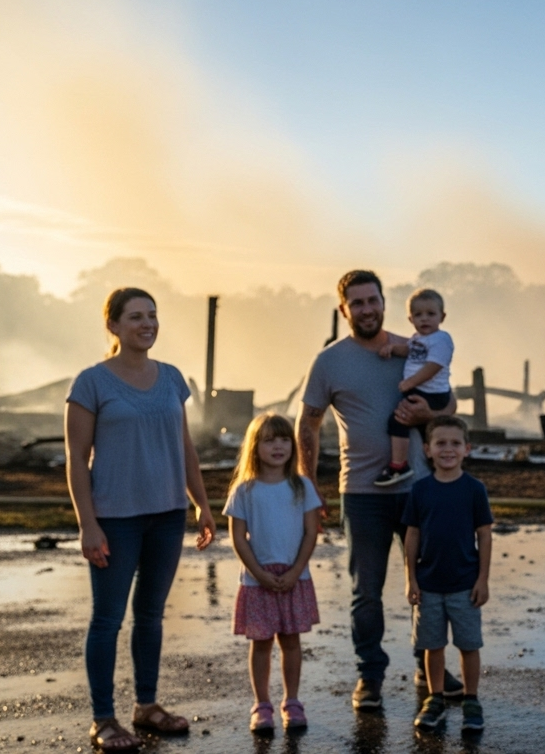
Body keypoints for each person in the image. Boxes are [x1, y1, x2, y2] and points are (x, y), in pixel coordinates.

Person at [297, 270, 462, 711]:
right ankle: (369, 676)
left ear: (385, 303)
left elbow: (449, 403)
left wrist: (429, 410)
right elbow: (308, 421)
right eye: (358, 303)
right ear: (343, 310)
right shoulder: (329, 361)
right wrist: (309, 485)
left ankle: (429, 668)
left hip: (420, 489)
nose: (367, 309)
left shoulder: (416, 346)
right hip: (362, 492)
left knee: (427, 585)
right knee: (366, 591)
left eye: (374, 300)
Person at [65, 287, 217, 753]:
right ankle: (104, 719)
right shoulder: (91, 382)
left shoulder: (171, 378)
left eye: (152, 315)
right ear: (112, 325)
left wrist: (202, 504)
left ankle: (147, 707)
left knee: (150, 617)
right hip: (115, 520)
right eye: (135, 316)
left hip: (167, 515)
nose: (147, 323)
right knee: (108, 619)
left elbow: (185, 448)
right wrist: (87, 525)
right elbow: (76, 458)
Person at [223, 413, 323, 733]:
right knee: (261, 643)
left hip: (296, 577)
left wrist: (296, 571)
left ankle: (292, 701)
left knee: (291, 641)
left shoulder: (302, 486)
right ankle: (262, 704)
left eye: (284, 440)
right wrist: (259, 574)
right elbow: (238, 538)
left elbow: (311, 533)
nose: (278, 446)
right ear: (255, 447)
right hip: (257, 579)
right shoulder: (244, 490)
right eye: (269, 440)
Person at [402, 415, 492, 732]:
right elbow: (411, 536)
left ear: (467, 449)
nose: (448, 449)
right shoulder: (420, 490)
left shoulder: (474, 490)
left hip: (465, 585)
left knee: (469, 645)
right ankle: (435, 698)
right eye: (441, 443)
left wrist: (482, 580)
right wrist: (410, 578)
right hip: (428, 585)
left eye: (455, 443)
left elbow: (484, 535)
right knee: (432, 645)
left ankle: (470, 699)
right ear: (427, 449)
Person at [374, 288, 456, 487]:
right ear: (410, 319)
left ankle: (399, 466)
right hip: (421, 391)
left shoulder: (441, 339)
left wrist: (412, 382)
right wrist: (393, 349)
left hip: (431, 393)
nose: (424, 319)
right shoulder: (417, 339)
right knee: (426, 433)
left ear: (442, 316)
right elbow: (409, 351)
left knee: (398, 422)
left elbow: (434, 366)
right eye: (418, 315)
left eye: (430, 314)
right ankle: (435, 466)